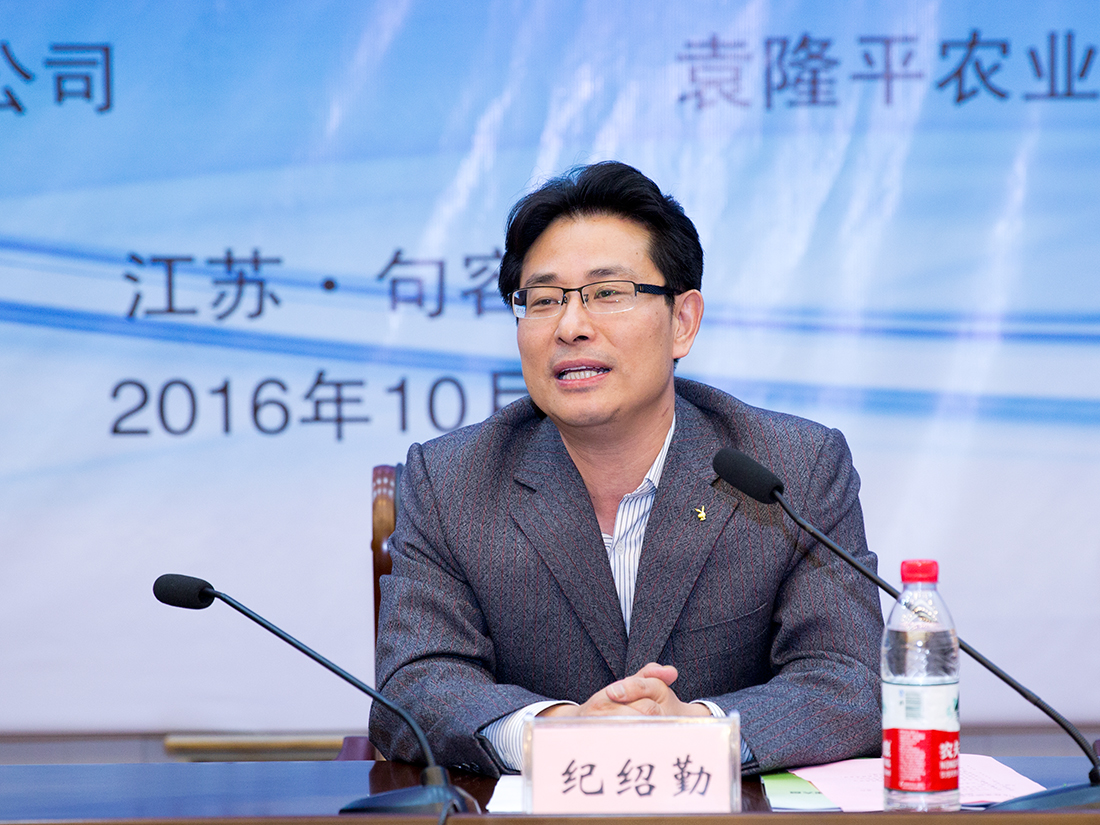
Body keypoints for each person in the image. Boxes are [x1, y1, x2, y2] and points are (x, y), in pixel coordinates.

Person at [368, 161, 883, 777]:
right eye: (543, 300)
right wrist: (555, 731)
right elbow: (414, 685)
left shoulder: (791, 468)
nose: (571, 326)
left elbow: (847, 682)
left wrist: (700, 731)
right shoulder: (450, 480)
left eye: (608, 293)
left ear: (682, 322)